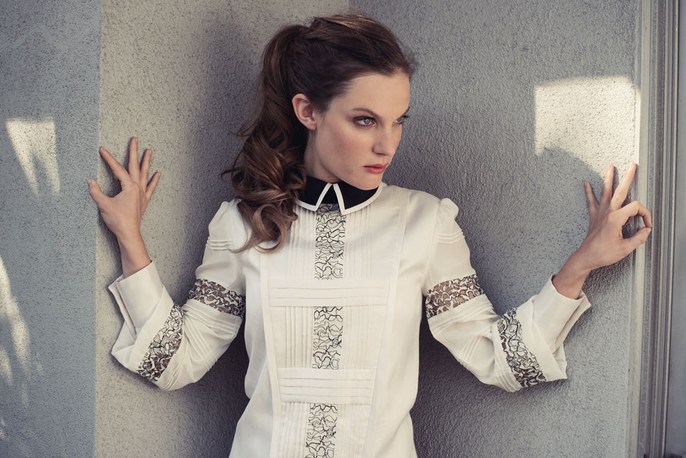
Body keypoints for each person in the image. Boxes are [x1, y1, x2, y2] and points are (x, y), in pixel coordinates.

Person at [87, 13, 652, 458]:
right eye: (365, 120)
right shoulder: (242, 224)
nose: (388, 144)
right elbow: (176, 361)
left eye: (399, 119)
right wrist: (130, 237)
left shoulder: (425, 222)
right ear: (308, 111)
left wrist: (582, 263)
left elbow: (499, 358)